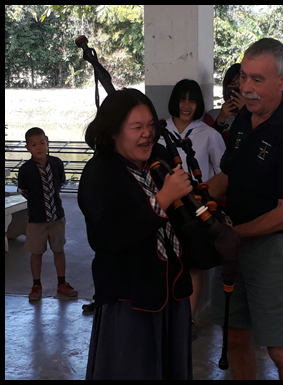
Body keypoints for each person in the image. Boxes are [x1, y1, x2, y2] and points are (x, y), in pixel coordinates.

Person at [207, 38, 283, 380]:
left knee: (280, 347)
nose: (247, 88)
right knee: (236, 337)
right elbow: (229, 174)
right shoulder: (244, 118)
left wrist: (231, 233)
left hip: (273, 251)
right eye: (244, 77)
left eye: (258, 79)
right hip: (233, 246)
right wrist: (192, 196)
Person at [78, 88, 194, 380]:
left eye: (151, 126)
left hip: (171, 293)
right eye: (137, 127)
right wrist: (163, 198)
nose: (147, 134)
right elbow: (107, 236)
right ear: (114, 131)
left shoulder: (155, 166)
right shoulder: (100, 172)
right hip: (130, 299)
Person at [159, 78, 226, 339]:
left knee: (193, 264)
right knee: (165, 262)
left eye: (193, 100)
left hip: (195, 209)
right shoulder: (159, 130)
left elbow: (223, 172)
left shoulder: (209, 134)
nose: (186, 106)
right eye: (182, 99)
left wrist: (204, 195)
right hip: (165, 207)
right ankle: (165, 314)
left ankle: (188, 319)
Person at [17, 127, 78, 301]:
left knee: (59, 250)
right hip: (36, 219)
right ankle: (36, 285)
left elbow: (60, 184)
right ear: (28, 147)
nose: (39, 147)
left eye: (42, 143)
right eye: (34, 144)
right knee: (36, 252)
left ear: (48, 142)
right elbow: (25, 191)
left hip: (57, 217)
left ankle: (62, 283)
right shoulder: (26, 169)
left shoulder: (57, 163)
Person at [204, 63, 246, 143]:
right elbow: (206, 145)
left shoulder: (258, 116)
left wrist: (246, 114)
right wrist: (221, 119)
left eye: (241, 85)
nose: (237, 90)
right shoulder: (212, 116)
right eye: (232, 84)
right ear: (225, 87)